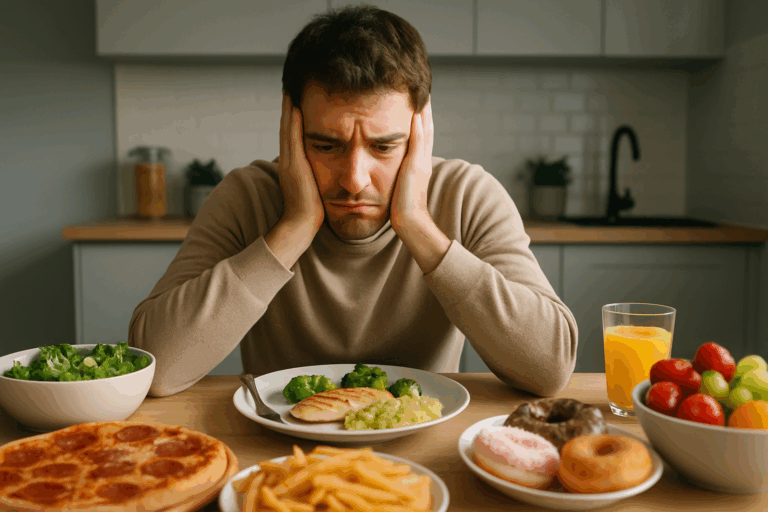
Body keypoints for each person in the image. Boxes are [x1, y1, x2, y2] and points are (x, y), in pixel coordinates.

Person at [129, 5, 577, 398]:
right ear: (291, 129)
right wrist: (295, 226)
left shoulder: (467, 195)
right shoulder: (246, 196)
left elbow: (550, 369)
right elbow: (157, 368)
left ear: (419, 134)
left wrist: (418, 224)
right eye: (325, 146)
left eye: (384, 147)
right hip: (281, 455)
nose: (354, 180)